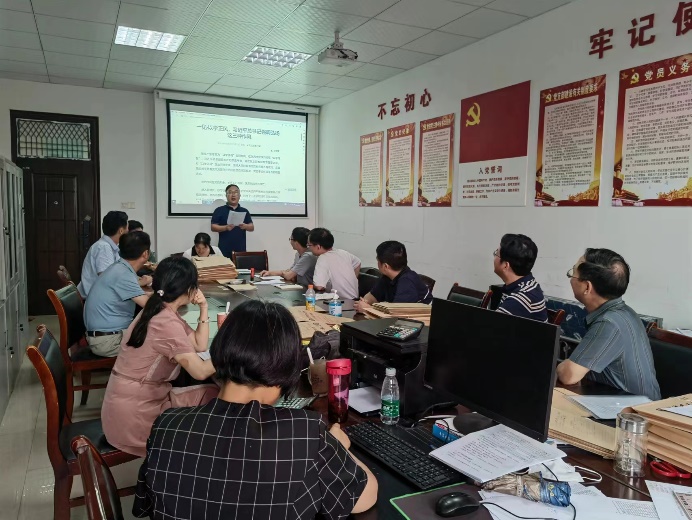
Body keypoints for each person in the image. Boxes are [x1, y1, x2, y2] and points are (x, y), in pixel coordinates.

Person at [133, 300, 377, 519]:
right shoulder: (306, 432)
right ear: (287, 367)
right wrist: (340, 448)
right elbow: (365, 497)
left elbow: (146, 505)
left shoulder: (167, 425)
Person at [102, 256, 218, 457]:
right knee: (216, 397)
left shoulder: (157, 308)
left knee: (210, 392)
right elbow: (200, 371)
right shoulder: (166, 322)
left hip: (128, 403)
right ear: (189, 288)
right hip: (136, 416)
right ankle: (198, 460)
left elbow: (199, 345)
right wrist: (233, 351)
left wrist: (204, 307)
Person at [557, 248, 661, 400]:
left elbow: (569, 375)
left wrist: (563, 365)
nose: (571, 278)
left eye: (573, 273)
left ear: (587, 287)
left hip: (635, 410)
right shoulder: (623, 312)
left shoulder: (609, 322)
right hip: (615, 400)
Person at [83, 231, 153, 357]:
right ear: (145, 253)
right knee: (161, 342)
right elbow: (151, 306)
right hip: (109, 341)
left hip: (106, 336)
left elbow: (142, 297)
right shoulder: (123, 274)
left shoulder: (119, 268)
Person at [354, 241, 431, 313]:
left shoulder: (407, 283)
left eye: (378, 260)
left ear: (385, 266)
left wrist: (368, 309)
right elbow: (371, 297)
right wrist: (364, 303)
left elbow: (396, 315)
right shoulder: (387, 277)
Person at [493, 233, 548, 322]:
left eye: (496, 254)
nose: (494, 257)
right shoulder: (528, 284)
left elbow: (490, 326)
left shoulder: (520, 299)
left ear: (506, 266)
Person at [77, 211, 128, 298]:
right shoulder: (103, 247)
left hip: (100, 295)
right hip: (96, 299)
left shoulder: (110, 246)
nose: (128, 231)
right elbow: (108, 280)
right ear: (121, 230)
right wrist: (138, 283)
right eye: (127, 228)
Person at [309, 228, 361, 300]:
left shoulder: (323, 258)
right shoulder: (343, 253)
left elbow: (319, 287)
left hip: (340, 301)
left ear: (318, 246)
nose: (309, 248)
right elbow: (358, 263)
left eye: (309, 245)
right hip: (355, 299)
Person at [210, 184, 254, 257]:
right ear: (226, 195)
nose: (233, 195)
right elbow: (213, 227)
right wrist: (225, 227)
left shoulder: (244, 211)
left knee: (240, 265)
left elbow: (251, 227)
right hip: (224, 249)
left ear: (239, 195)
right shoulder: (219, 210)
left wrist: (245, 226)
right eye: (230, 192)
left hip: (240, 249)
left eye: (236, 192)